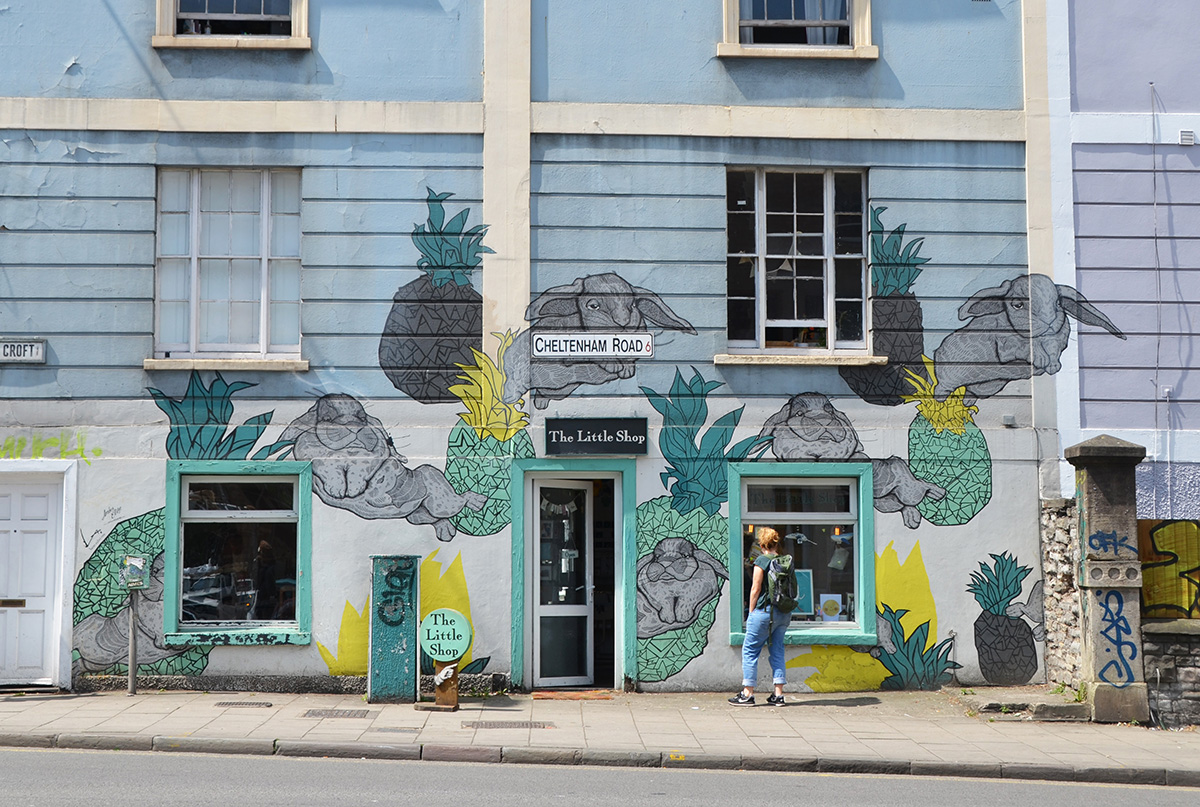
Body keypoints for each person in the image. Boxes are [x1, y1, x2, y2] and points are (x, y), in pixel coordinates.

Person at [729, 526, 788, 707]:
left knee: (750, 651)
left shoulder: (762, 561)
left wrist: (752, 611)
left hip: (764, 611)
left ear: (762, 543)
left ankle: (748, 694)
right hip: (784, 613)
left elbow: (755, 589)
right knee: (777, 649)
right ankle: (778, 695)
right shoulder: (785, 561)